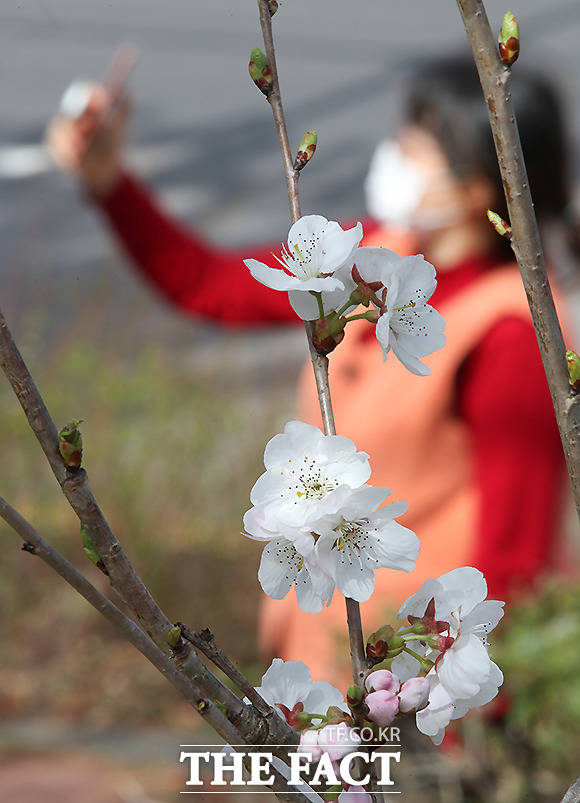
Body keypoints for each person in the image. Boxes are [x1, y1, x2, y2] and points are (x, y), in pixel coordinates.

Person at [46, 56, 573, 685]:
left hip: (416, 686)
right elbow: (210, 285)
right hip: (328, 660)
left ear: (478, 190)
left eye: (413, 148)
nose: (394, 158)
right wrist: (110, 183)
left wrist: (463, 722)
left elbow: (515, 556)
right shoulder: (378, 258)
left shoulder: (510, 332)